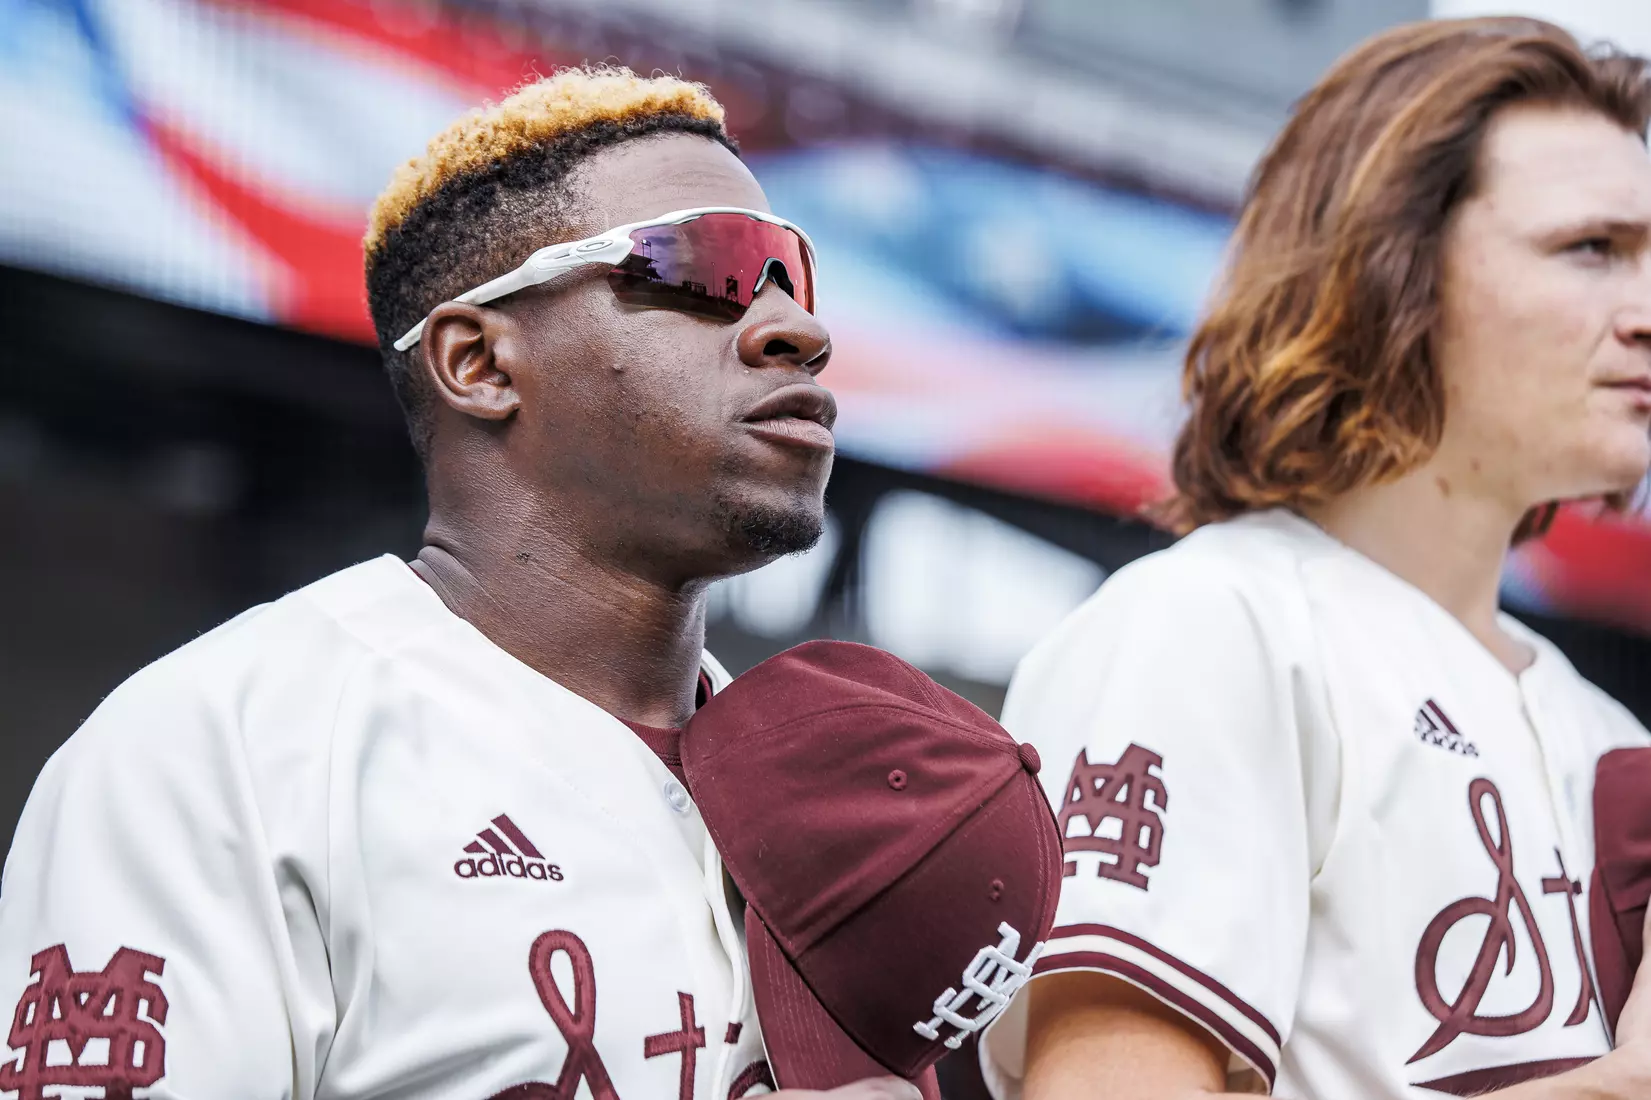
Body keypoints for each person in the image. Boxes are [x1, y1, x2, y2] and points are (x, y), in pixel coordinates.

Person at [0, 66, 914, 1099]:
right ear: (479, 361)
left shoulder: (858, 797)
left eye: (795, 273)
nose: (796, 328)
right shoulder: (225, 743)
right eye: (706, 267)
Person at [980, 17, 1651, 1100]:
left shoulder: (1608, 731)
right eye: (1591, 249)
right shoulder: (1208, 622)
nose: (1645, 310)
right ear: (1389, 263)